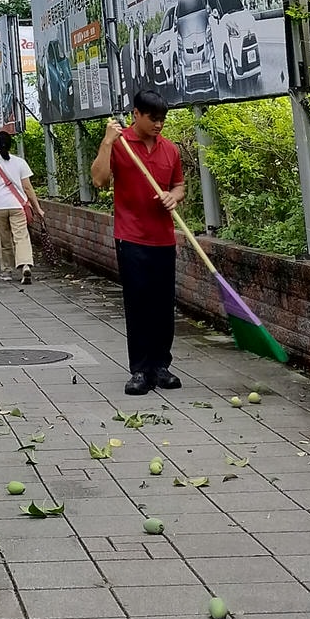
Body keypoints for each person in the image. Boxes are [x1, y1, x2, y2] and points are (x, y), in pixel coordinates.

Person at [91, 89, 188, 395]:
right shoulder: (120, 144)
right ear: (136, 114)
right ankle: (141, 370)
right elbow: (99, 180)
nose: (158, 125)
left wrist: (173, 196)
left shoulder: (170, 150)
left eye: (162, 120)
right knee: (138, 304)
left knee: (163, 305)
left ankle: (161, 366)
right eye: (153, 118)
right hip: (131, 237)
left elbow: (179, 185)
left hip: (163, 239)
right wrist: (107, 141)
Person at [0, 130, 44, 285]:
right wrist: (37, 208)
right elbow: (27, 187)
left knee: (4, 239)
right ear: (11, 145)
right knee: (21, 237)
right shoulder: (20, 162)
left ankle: (7, 271)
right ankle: (25, 266)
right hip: (17, 206)